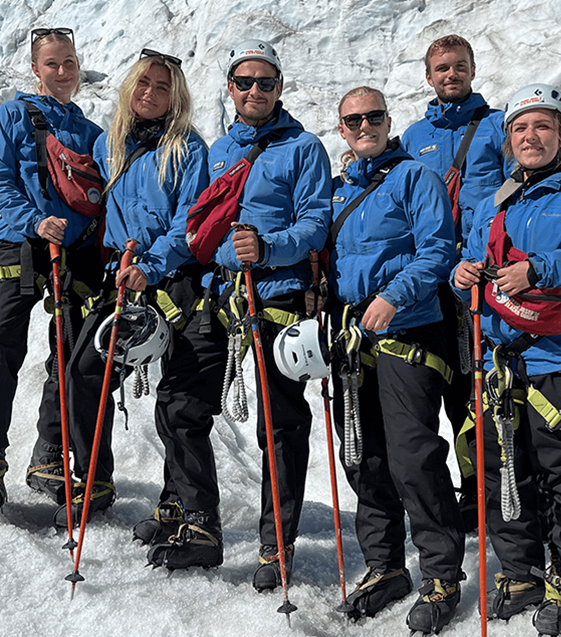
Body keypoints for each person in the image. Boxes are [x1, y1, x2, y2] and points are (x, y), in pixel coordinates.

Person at [452, 83, 561, 635]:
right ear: (508, 140)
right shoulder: (494, 203)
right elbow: (475, 274)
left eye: (543, 126)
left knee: (560, 470)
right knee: (504, 466)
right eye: (521, 128)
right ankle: (521, 570)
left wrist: (541, 268)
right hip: (504, 358)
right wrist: (462, 279)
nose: (531, 136)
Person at [58, 49, 225, 570]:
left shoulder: (187, 150)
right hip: (122, 279)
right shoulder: (115, 147)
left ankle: (186, 508)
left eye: (161, 86)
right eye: (143, 83)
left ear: (176, 97)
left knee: (177, 400)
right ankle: (95, 476)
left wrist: (151, 265)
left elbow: (189, 222)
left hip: (172, 280)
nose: (149, 92)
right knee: (85, 370)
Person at [325, 86, 462, 633]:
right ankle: (384, 565)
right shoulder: (338, 192)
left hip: (406, 330)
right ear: (342, 129)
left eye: (373, 117)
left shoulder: (414, 178)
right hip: (352, 336)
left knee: (412, 456)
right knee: (362, 455)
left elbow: (437, 250)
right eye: (353, 120)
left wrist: (393, 296)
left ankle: (441, 575)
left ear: (388, 121)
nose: (364, 126)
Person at [204, 39, 332, 590]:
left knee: (280, 424)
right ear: (230, 88)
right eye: (245, 82)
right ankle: (191, 519)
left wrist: (268, 248)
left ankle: (275, 542)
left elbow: (315, 223)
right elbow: (204, 229)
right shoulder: (216, 151)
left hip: (278, 295)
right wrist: (232, 255)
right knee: (184, 405)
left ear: (280, 88)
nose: (255, 91)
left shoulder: (304, 148)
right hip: (226, 295)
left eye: (266, 82)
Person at [0, 27, 103, 513]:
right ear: (35, 68)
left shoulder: (91, 134)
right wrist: (35, 220)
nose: (63, 71)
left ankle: (49, 454)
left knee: (67, 353)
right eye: (53, 63)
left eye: (69, 62)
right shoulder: (13, 115)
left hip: (75, 251)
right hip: (22, 244)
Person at [401, 34, 509, 529]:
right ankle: (467, 491)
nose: (451, 74)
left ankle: (489, 488)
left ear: (472, 70)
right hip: (433, 279)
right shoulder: (410, 137)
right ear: (428, 76)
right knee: (448, 384)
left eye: (459, 66)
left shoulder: (495, 127)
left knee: (480, 386)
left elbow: (517, 189)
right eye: (441, 68)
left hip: (481, 276)